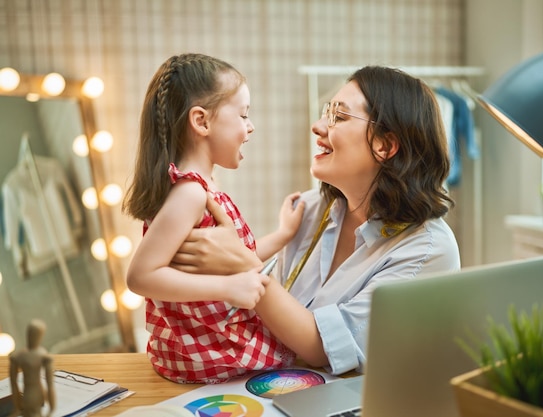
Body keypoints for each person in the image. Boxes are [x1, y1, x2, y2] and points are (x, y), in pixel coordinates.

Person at [172, 65, 461, 375]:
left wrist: (242, 264)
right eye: (327, 112)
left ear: (385, 145)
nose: (318, 126)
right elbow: (270, 319)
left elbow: (322, 348)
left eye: (339, 116)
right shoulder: (309, 211)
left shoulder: (428, 250)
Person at [122, 53, 303, 384]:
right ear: (202, 122)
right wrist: (228, 287)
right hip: (209, 353)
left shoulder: (201, 189)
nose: (250, 126)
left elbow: (229, 257)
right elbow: (140, 277)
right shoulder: (190, 193)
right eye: (243, 114)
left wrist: (282, 235)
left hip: (206, 346)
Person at [9, 319, 55, 417]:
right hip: (30, 393)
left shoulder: (41, 355)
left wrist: (52, 409)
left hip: (34, 392)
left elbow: (50, 384)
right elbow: (13, 384)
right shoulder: (20, 355)